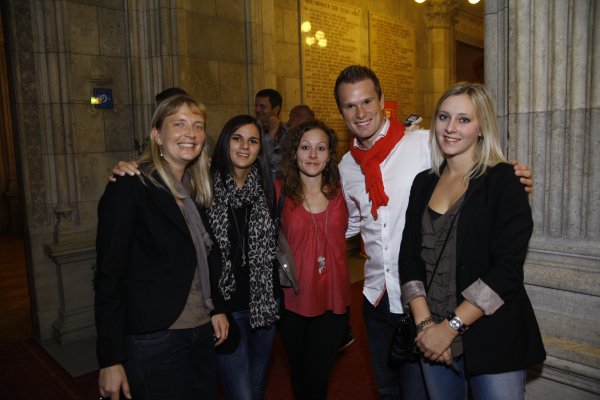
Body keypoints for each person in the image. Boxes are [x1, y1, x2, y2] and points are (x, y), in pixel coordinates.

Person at [334, 65, 533, 400]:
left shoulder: (422, 145)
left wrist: (514, 175)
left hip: (452, 306)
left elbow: (504, 263)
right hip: (384, 295)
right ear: (341, 112)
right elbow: (358, 225)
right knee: (389, 391)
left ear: (382, 100)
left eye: (367, 101)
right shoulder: (348, 166)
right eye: (350, 106)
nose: (360, 113)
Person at [398, 82, 545, 399]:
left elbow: (506, 271)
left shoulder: (504, 180)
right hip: (432, 337)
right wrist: (426, 327)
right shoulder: (423, 183)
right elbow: (409, 259)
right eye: (444, 117)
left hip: (492, 337)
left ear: (482, 128)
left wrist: (449, 328)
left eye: (463, 119)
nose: (450, 128)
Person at [95, 94, 228, 400]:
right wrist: (110, 358)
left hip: (201, 327)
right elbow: (108, 275)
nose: (190, 133)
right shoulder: (130, 185)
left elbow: (205, 260)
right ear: (156, 135)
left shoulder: (196, 190)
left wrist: (216, 309)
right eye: (178, 124)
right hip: (155, 336)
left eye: (197, 126)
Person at [206, 114, 281, 400]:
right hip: (225, 307)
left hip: (265, 302)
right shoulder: (205, 188)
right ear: (226, 142)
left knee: (257, 384)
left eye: (253, 141)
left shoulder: (267, 190)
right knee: (241, 393)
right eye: (237, 138)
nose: (244, 147)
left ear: (260, 149)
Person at [276, 119, 351, 399]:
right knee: (299, 373)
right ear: (294, 152)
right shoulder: (278, 191)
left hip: (333, 299)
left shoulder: (342, 190)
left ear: (330, 154)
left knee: (318, 377)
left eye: (321, 148)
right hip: (292, 299)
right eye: (305, 147)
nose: (312, 155)